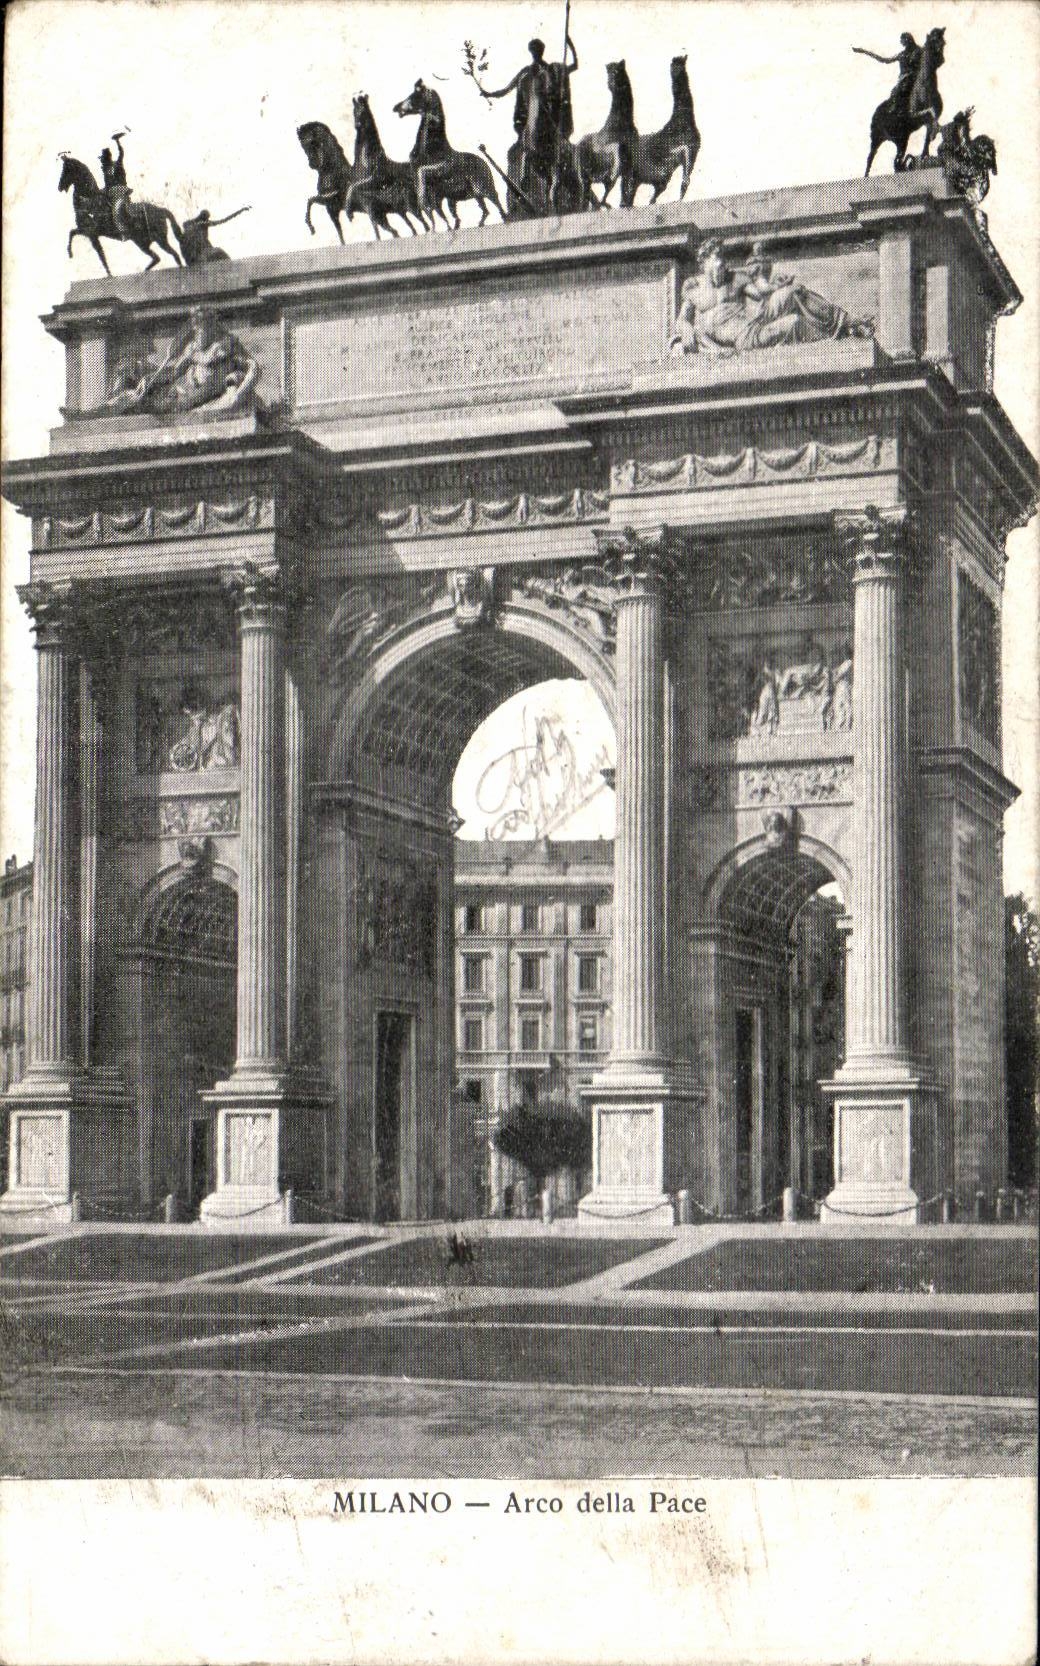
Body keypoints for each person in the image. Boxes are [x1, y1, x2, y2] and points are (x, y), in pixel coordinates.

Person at [480, 35, 578, 151]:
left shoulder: (551, 69)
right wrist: (489, 94)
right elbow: (507, 89)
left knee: (560, 143)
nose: (536, 53)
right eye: (534, 50)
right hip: (528, 116)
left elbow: (574, 66)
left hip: (550, 114)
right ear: (532, 51)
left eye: (538, 50)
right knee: (516, 149)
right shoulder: (525, 72)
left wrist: (570, 46)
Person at [853, 32, 922, 116]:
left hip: (914, 79)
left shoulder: (919, 51)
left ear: (908, 40)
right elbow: (884, 60)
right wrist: (865, 51)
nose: (901, 42)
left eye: (903, 40)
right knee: (895, 94)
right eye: (901, 41)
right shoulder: (902, 54)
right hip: (904, 80)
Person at [179, 206, 250, 266]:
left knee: (219, 254)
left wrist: (240, 211)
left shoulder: (200, 223)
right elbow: (223, 220)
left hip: (202, 249)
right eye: (206, 217)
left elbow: (223, 220)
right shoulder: (195, 224)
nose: (207, 219)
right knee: (218, 253)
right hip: (196, 253)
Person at [99, 131, 132, 237]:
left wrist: (118, 142)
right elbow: (107, 185)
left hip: (120, 190)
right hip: (110, 192)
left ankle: (125, 232)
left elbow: (121, 153)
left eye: (103, 159)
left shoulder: (117, 164)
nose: (102, 161)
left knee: (116, 211)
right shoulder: (105, 169)